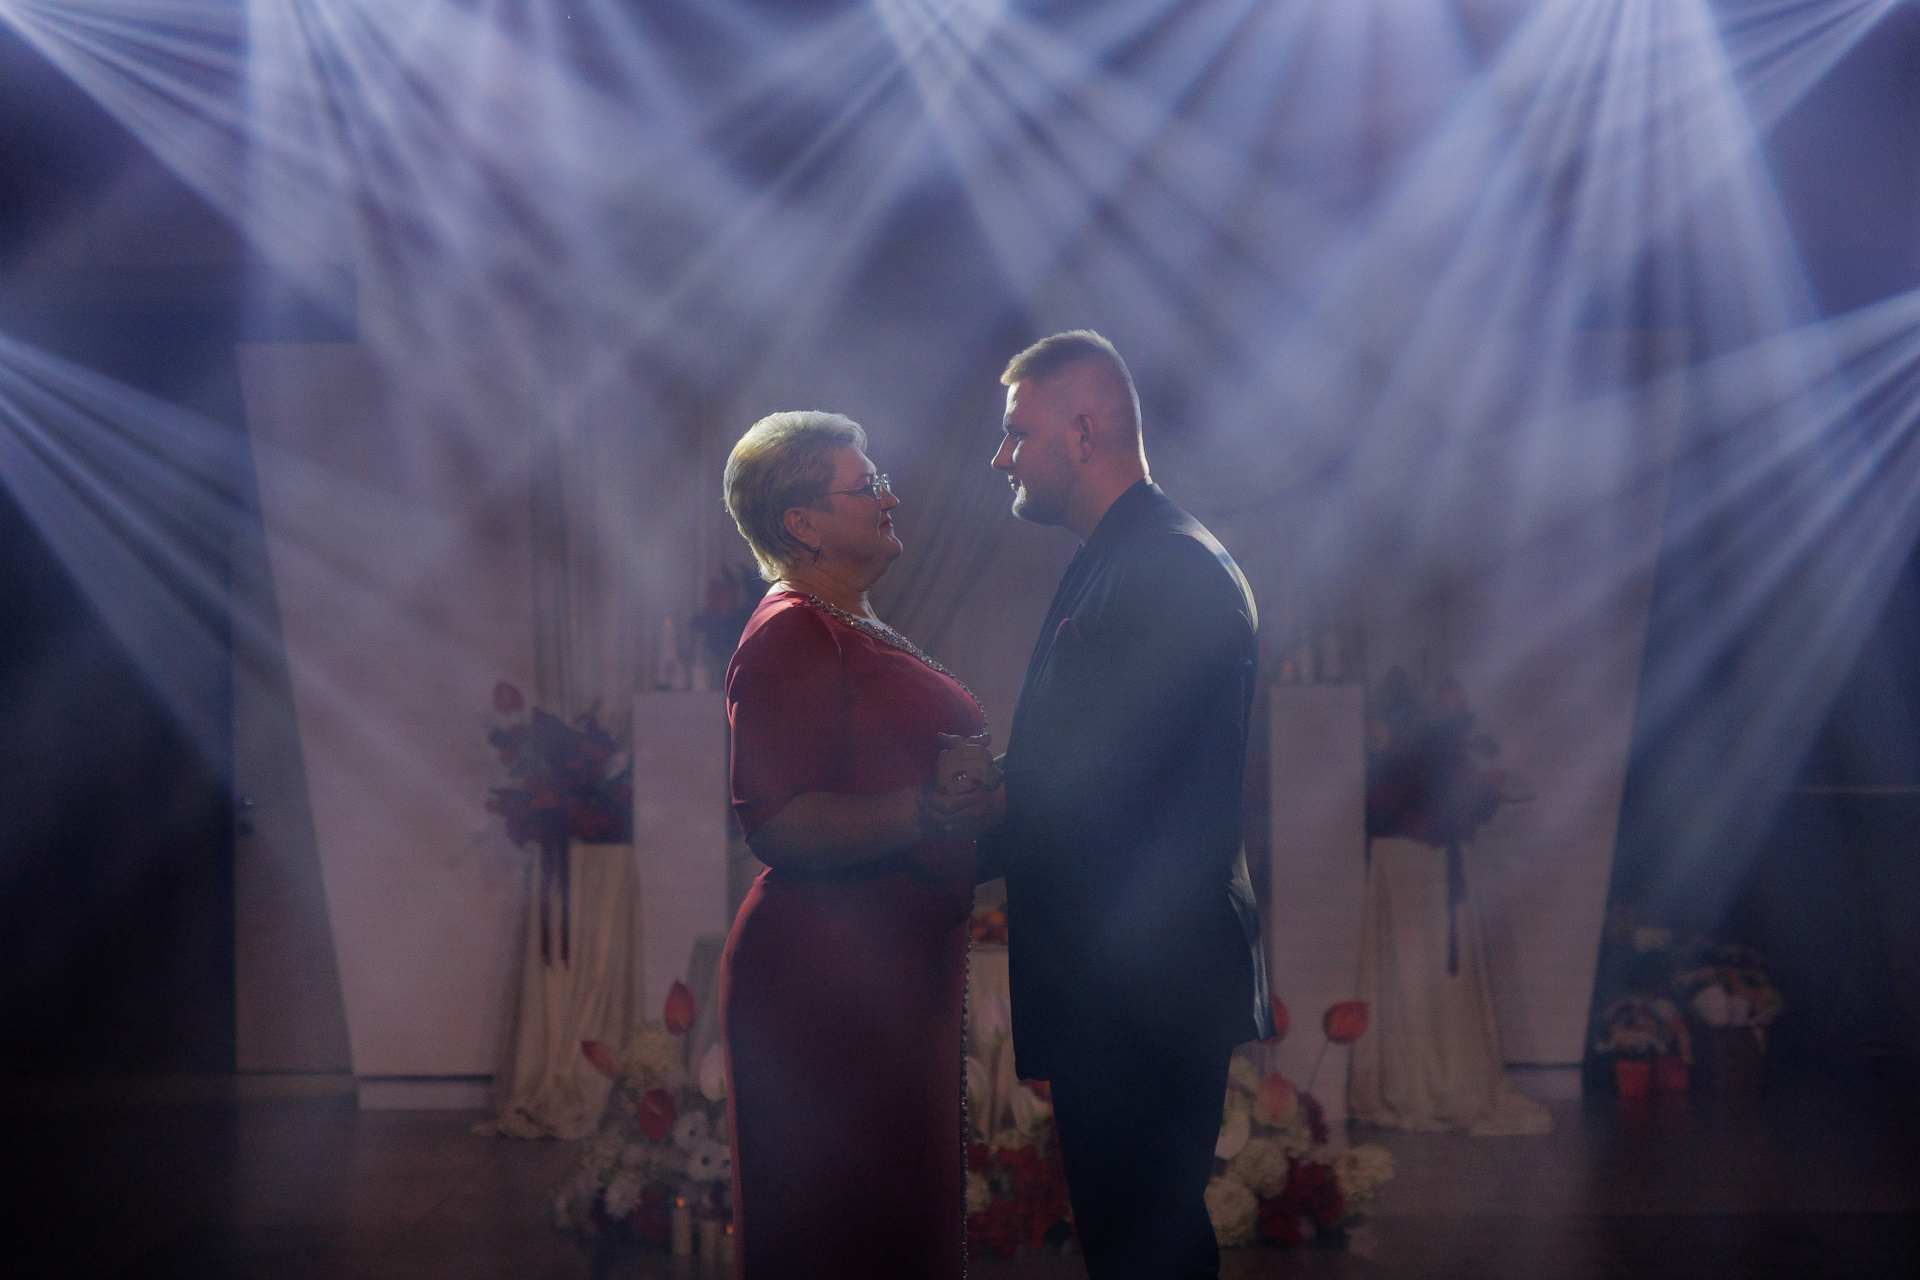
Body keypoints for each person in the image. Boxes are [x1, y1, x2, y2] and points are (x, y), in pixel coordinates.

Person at [972, 331, 1273, 1280]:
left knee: (1146, 1251)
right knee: (1133, 1246)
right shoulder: (1125, 556)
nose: (1002, 457)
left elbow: (1101, 784)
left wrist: (927, 844)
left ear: (1084, 432)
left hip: (1144, 983)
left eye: (1017, 433)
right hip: (1125, 978)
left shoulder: (1167, 567)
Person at [717, 410, 1003, 1280]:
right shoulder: (792, 632)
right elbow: (776, 820)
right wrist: (928, 810)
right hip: (825, 984)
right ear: (802, 523)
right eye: (868, 484)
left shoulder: (844, 624)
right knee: (839, 1236)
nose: (891, 496)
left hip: (883, 972)